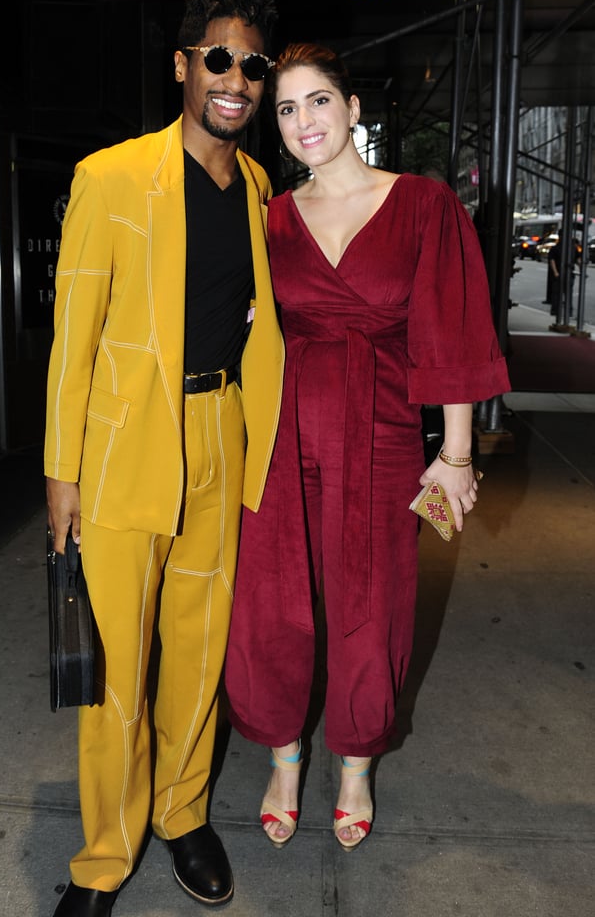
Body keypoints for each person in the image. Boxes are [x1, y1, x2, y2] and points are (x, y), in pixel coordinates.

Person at [224, 43, 511, 853]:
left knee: (371, 605)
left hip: (380, 435)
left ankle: (353, 764)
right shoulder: (270, 218)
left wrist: (454, 455)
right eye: (285, 109)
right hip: (277, 435)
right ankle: (284, 756)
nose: (302, 122)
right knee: (269, 603)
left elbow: (450, 329)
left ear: (353, 109)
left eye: (317, 101)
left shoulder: (422, 204)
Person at [44, 0, 284, 917]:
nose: (235, 79)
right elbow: (73, 338)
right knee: (117, 675)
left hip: (218, 432)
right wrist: (61, 475)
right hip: (122, 451)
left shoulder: (258, 182)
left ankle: (182, 813)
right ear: (183, 66)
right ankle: (105, 856)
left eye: (252, 65)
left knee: (197, 651)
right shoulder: (109, 176)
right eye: (217, 59)